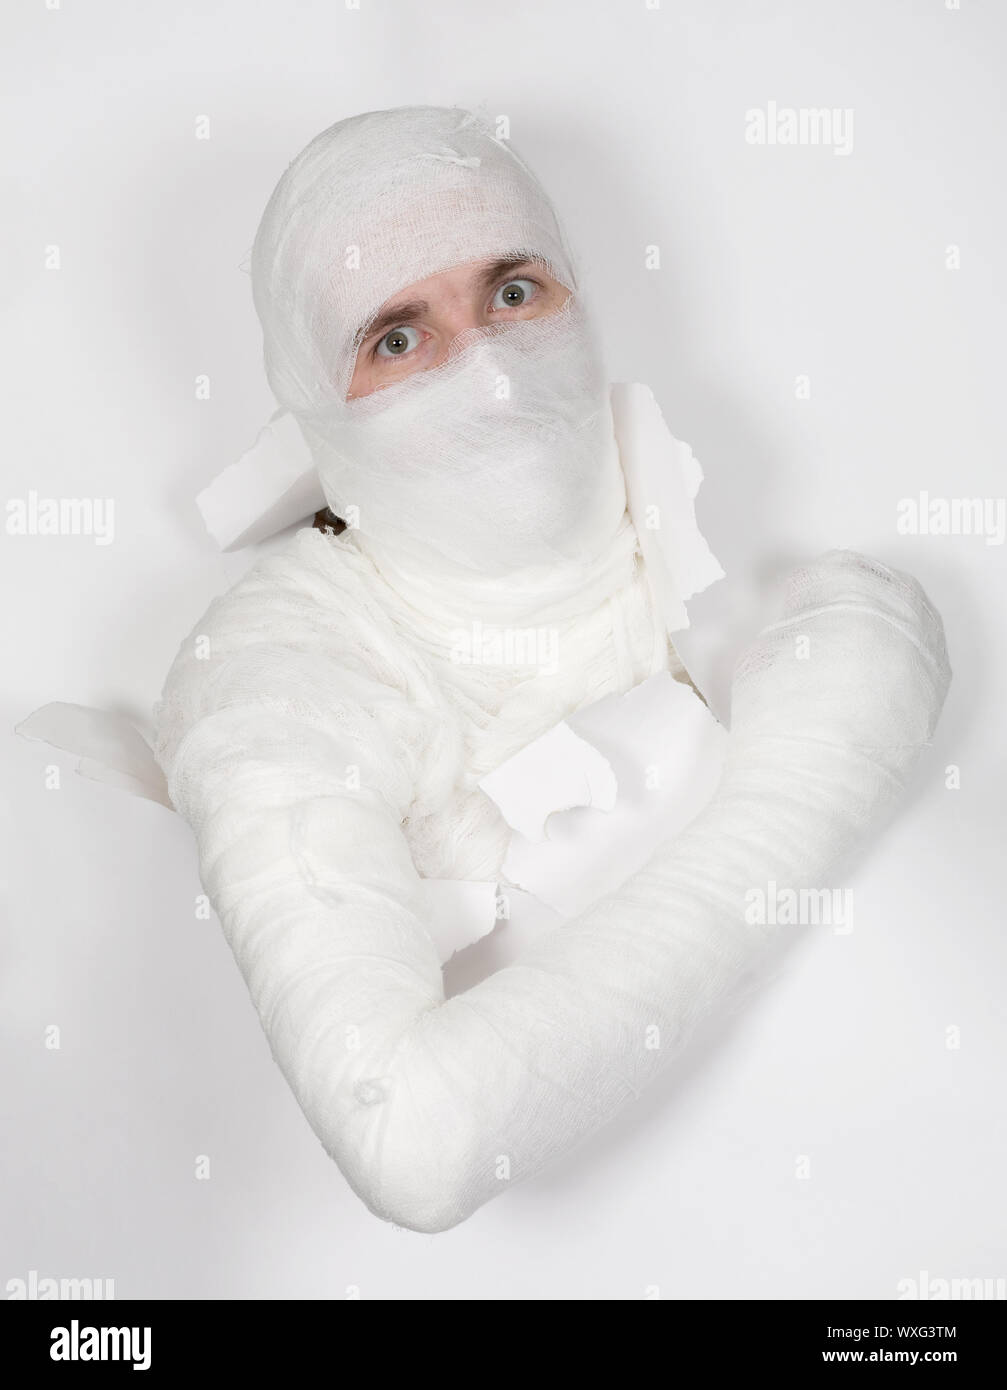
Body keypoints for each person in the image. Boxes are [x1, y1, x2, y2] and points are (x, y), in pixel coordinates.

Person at [153, 106, 950, 1233]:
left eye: (511, 292)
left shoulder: (693, 494)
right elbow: (409, 1137)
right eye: (396, 336)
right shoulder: (276, 674)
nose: (489, 380)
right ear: (319, 409)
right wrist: (813, 777)